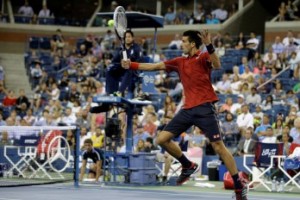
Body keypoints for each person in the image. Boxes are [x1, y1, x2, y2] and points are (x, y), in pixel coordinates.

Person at [121, 30, 247, 199]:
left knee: (219, 147)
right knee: (161, 139)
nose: (182, 44)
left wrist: (209, 45)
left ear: (193, 44)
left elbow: (217, 64)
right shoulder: (179, 61)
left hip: (205, 108)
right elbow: (155, 66)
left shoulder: (202, 57)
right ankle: (187, 165)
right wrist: (132, 65)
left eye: (184, 41)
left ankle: (238, 186)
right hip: (187, 109)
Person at [105, 30, 142, 98]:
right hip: (122, 69)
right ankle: (110, 92)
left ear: (132, 38)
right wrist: (110, 62)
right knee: (110, 68)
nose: (127, 38)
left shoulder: (136, 48)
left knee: (129, 68)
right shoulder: (121, 48)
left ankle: (119, 92)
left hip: (133, 69)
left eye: (129, 37)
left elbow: (138, 60)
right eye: (126, 37)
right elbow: (115, 60)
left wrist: (130, 63)